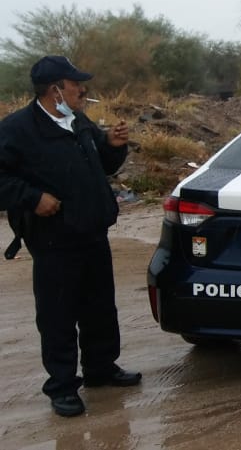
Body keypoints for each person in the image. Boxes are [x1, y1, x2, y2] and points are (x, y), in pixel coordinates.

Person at [0, 55, 141, 418]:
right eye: (76, 84)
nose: (83, 90)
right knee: (58, 314)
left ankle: (101, 368)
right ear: (55, 90)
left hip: (91, 231)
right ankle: (62, 385)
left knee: (99, 307)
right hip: (53, 239)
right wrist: (33, 198)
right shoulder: (17, 129)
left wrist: (111, 144)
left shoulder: (77, 120)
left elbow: (103, 165)